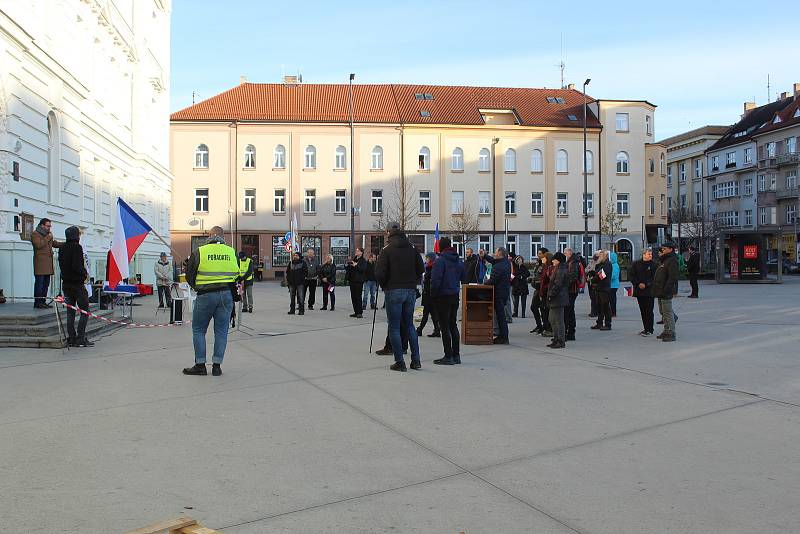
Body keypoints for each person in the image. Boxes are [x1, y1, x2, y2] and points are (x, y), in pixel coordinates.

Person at [183, 226, 240, 376]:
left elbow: (189, 275)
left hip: (206, 295)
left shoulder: (200, 252)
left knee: (199, 330)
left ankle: (200, 365)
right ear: (223, 236)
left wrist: (197, 286)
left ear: (209, 236)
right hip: (226, 295)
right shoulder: (231, 252)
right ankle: (217, 366)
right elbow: (237, 274)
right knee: (221, 332)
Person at [374, 222, 425, 371]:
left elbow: (379, 273)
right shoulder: (412, 248)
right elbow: (420, 269)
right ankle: (416, 360)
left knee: (394, 327)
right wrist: (412, 283)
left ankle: (400, 362)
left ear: (389, 232)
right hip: (410, 290)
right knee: (409, 325)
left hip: (393, 290)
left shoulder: (387, 250)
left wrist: (385, 285)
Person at [430, 237, 464, 365]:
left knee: (444, 327)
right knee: (453, 325)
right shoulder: (458, 260)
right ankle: (456, 355)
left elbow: (435, 280)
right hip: (454, 295)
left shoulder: (440, 261)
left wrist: (433, 295)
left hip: (442, 297)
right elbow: (463, 277)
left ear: (441, 247)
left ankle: (448, 356)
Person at [58, 226, 93, 347]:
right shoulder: (77, 247)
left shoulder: (62, 248)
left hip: (66, 284)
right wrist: (84, 274)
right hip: (77, 284)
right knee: (85, 311)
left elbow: (61, 265)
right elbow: (77, 265)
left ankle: (71, 337)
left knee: (70, 312)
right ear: (76, 236)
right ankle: (80, 337)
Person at [31, 218, 63, 308]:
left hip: (48, 264)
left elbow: (54, 243)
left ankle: (43, 301)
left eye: (50, 226)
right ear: (42, 225)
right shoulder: (35, 234)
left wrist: (66, 243)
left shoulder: (47, 235)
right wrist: (48, 237)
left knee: (46, 284)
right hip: (40, 264)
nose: (49, 228)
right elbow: (38, 245)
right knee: (39, 283)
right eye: (48, 226)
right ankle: (38, 302)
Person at [652, 242, 679, 342]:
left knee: (667, 312)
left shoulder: (672, 260)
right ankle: (666, 330)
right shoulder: (664, 260)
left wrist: (667, 289)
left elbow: (673, 277)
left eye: (664, 249)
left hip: (665, 290)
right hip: (660, 290)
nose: (662, 250)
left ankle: (671, 332)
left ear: (670, 249)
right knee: (663, 311)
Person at [487, 247, 511, 344]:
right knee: (500, 316)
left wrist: (484, 284)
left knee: (501, 316)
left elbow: (493, 281)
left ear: (499, 254)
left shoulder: (498, 266)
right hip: (504, 292)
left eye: (495, 252)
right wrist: (485, 256)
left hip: (498, 294)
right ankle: (502, 335)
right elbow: (493, 261)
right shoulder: (505, 263)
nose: (494, 253)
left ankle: (503, 337)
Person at [630, 248, 655, 336]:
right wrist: (638, 283)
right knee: (643, 311)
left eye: (651, 254)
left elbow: (655, 278)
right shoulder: (636, 264)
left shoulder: (654, 264)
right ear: (644, 255)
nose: (650, 256)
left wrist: (647, 284)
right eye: (649, 254)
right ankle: (645, 328)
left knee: (649, 310)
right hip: (639, 291)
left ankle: (650, 329)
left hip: (649, 291)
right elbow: (632, 275)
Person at [547, 252, 569, 348]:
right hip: (557, 297)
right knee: (552, 319)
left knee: (558, 320)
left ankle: (560, 340)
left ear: (558, 260)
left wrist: (551, 294)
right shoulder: (558, 268)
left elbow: (558, 284)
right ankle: (556, 338)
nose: (552, 261)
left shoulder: (561, 270)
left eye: (554, 259)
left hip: (558, 298)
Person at [417, 252, 440, 337]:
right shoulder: (429, 268)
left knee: (426, 313)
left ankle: (420, 329)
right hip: (429, 294)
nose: (425, 260)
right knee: (433, 313)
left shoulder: (432, 268)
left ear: (430, 259)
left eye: (426, 258)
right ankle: (437, 330)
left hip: (429, 294)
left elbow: (431, 282)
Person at [564, 248, 584, 341]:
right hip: (572, 289)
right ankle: (570, 332)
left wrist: (565, 285)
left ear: (570, 253)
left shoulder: (573, 262)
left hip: (571, 290)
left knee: (568, 311)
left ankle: (570, 332)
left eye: (566, 253)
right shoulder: (573, 261)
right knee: (570, 311)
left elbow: (573, 276)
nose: (565, 255)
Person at [589, 250, 613, 330]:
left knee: (605, 306)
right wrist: (592, 274)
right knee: (599, 306)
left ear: (605, 256)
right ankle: (599, 322)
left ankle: (608, 324)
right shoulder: (601, 264)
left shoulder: (607, 264)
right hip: (599, 288)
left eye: (601, 255)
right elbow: (597, 273)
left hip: (604, 288)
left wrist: (593, 279)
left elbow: (602, 275)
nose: (599, 257)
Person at [529, 248, 548, 333]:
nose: (538, 255)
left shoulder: (546, 263)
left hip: (542, 289)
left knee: (542, 308)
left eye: (540, 253)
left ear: (544, 254)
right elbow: (535, 274)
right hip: (537, 289)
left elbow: (544, 276)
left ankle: (544, 326)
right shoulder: (538, 262)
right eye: (538, 253)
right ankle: (539, 325)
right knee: (534, 307)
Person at [345, 247, 367, 318]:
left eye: (358, 251)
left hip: (358, 281)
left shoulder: (363, 260)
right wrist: (348, 264)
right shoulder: (354, 259)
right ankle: (356, 311)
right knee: (353, 297)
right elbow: (349, 269)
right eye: (356, 250)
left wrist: (356, 265)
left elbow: (362, 269)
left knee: (358, 296)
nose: (356, 252)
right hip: (352, 280)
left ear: (361, 252)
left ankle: (360, 312)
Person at [286, 251, 308, 315]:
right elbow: (288, 272)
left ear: (299, 256)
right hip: (292, 283)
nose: (295, 256)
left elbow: (305, 272)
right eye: (294, 255)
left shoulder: (303, 263)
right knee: (292, 298)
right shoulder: (291, 263)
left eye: (296, 255)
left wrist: (301, 279)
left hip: (300, 283)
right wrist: (288, 280)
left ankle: (301, 310)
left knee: (301, 297)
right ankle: (292, 310)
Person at [538, 251, 554, 337]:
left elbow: (550, 281)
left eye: (544, 258)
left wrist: (544, 288)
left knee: (546, 311)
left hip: (546, 292)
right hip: (543, 292)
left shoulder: (550, 268)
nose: (542, 259)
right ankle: (546, 327)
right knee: (543, 310)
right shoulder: (544, 267)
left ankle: (549, 328)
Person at [609, 251, 620, 316]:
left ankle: (613, 312)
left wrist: (607, 278)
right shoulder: (613, 265)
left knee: (612, 299)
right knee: (612, 299)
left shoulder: (614, 265)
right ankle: (612, 311)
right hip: (613, 285)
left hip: (613, 285)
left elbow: (614, 276)